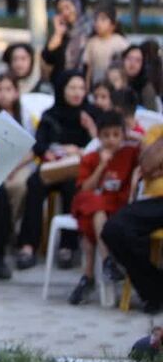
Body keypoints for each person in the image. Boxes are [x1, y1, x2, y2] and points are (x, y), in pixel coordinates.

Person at [15, 71, 99, 271]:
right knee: (34, 184)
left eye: (81, 88)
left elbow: (99, 146)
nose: (77, 93)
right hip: (54, 167)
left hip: (79, 171)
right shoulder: (50, 114)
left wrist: (89, 132)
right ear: (62, 89)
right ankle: (28, 246)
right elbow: (39, 145)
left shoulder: (91, 114)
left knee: (72, 187)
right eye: (72, 88)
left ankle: (67, 247)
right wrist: (54, 150)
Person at [68, 111, 138, 304]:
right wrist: (101, 166)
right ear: (98, 136)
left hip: (116, 206)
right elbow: (85, 187)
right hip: (95, 205)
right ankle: (107, 262)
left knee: (91, 217)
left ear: (123, 135)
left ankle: (88, 276)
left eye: (116, 135)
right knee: (93, 207)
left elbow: (148, 145)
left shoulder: (130, 153)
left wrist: (132, 136)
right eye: (106, 135)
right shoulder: (90, 157)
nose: (111, 140)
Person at [102, 126, 163, 314]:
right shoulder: (156, 131)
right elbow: (147, 167)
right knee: (114, 229)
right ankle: (155, 289)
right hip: (157, 201)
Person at [0, 74, 37, 279]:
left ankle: (8, 231)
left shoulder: (25, 115)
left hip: (20, 164)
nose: (4, 94)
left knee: (21, 185)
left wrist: (15, 167)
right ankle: (4, 234)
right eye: (0, 90)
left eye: (8, 89)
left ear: (16, 92)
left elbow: (33, 148)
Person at [41, 0, 92, 83]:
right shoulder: (63, 33)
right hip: (62, 83)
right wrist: (58, 33)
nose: (65, 12)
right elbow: (48, 57)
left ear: (76, 5)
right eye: (60, 10)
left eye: (67, 7)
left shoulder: (90, 29)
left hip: (83, 84)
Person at [84, 2, 129, 89]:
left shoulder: (120, 42)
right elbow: (89, 68)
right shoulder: (91, 42)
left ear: (113, 24)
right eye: (96, 19)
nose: (98, 23)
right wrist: (87, 86)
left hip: (116, 86)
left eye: (103, 19)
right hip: (97, 86)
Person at [121, 44, 161, 112]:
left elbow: (152, 115)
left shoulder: (146, 87)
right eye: (129, 58)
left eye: (138, 60)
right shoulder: (115, 81)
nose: (132, 63)